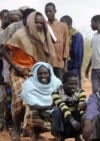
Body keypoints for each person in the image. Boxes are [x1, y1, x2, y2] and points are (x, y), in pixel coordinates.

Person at [0, 11, 55, 140]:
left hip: (35, 71)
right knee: (19, 99)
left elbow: (48, 53)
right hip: (19, 71)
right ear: (30, 22)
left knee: (35, 102)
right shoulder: (20, 34)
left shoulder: (43, 36)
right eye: (36, 22)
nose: (39, 25)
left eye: (41, 22)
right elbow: (3, 51)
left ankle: (31, 131)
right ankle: (15, 130)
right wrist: (15, 66)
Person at [19, 62, 61, 141]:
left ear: (50, 73)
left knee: (60, 112)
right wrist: (49, 106)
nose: (43, 76)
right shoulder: (29, 85)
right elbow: (32, 106)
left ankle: (58, 134)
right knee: (33, 113)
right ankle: (36, 133)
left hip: (54, 115)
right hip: (40, 115)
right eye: (40, 73)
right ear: (35, 74)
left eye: (46, 73)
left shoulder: (56, 83)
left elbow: (62, 98)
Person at [51, 71, 87, 141]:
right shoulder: (56, 93)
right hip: (63, 123)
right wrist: (73, 121)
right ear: (63, 83)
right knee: (57, 111)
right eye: (70, 84)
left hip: (76, 124)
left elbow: (81, 107)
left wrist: (85, 120)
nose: (74, 87)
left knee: (84, 112)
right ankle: (61, 136)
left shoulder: (81, 93)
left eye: (75, 84)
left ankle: (77, 135)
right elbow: (63, 107)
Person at [45, 2, 70, 80]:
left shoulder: (63, 26)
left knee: (59, 85)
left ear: (55, 11)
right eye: (46, 11)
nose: (48, 13)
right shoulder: (44, 26)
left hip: (59, 63)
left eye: (50, 11)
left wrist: (65, 66)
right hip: (47, 62)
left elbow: (66, 46)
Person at [60, 15, 84, 89]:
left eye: (62, 24)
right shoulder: (64, 36)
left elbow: (78, 55)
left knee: (76, 91)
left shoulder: (76, 36)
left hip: (73, 69)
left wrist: (74, 70)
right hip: (65, 68)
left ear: (68, 24)